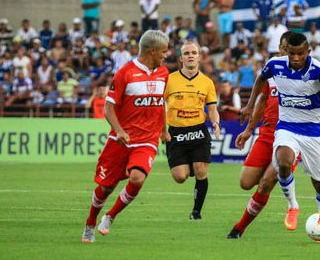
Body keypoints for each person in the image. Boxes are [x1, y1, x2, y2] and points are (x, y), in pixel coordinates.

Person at [239, 33, 320, 242]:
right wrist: (249, 105)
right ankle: (293, 205)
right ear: (285, 51)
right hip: (287, 127)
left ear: (307, 51)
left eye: (300, 54)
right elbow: (260, 80)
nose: (296, 58)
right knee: (283, 160)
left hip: (313, 132)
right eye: (292, 53)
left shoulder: (318, 69)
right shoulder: (275, 65)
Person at [82, 30, 170, 242]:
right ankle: (90, 223)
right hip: (122, 140)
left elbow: (160, 105)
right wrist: (119, 130)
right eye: (163, 52)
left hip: (146, 140)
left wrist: (164, 130)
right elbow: (109, 109)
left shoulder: (164, 73)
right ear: (152, 51)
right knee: (105, 187)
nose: (166, 56)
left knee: (137, 178)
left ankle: (110, 216)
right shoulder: (125, 74)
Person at [227, 32, 304, 238]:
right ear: (280, 48)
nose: (290, 53)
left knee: (266, 183)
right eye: (286, 48)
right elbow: (263, 99)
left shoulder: (307, 71)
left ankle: (239, 228)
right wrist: (249, 129)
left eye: (294, 50)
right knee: (245, 182)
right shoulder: (274, 68)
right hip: (267, 134)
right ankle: (273, 180)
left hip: (291, 137)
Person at [163, 41, 221, 220]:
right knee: (180, 176)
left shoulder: (207, 83)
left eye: (193, 52)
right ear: (181, 58)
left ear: (199, 57)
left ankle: (196, 212)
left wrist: (216, 124)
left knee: (201, 170)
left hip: (198, 131)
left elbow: (212, 108)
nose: (190, 55)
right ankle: (189, 164)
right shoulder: (169, 80)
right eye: (186, 53)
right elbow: (158, 105)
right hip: (176, 132)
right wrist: (160, 129)